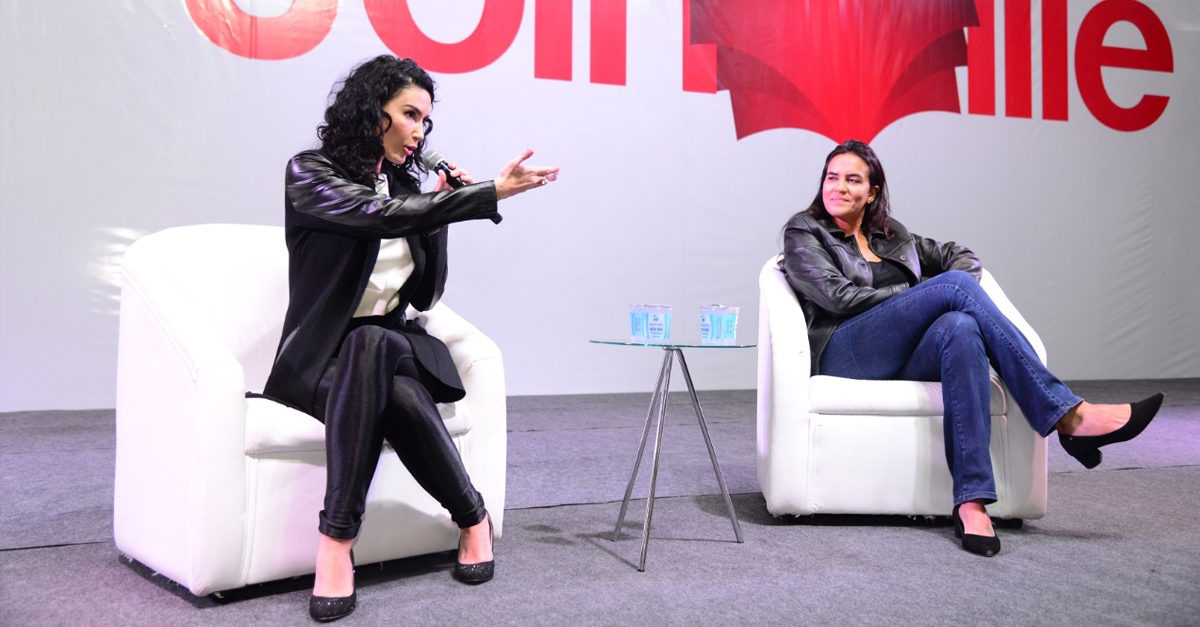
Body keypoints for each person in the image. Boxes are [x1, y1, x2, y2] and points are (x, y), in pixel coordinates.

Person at [259, 55, 559, 622]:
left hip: (398, 346)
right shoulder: (310, 173)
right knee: (379, 375)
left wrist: (439, 217)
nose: (419, 132)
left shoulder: (407, 190)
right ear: (373, 113)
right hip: (322, 364)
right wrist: (481, 196)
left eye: (426, 121)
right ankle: (472, 516)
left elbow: (423, 296)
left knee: (374, 344)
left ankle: (336, 544)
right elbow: (377, 216)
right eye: (409, 115)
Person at [780, 140, 1163, 558]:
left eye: (853, 179)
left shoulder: (894, 236)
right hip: (846, 349)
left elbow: (958, 254)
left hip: (900, 356)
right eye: (831, 177)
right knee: (953, 289)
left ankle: (972, 501)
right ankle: (1069, 416)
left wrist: (929, 296)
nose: (838, 187)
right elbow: (838, 299)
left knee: (960, 327)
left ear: (871, 192)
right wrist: (918, 294)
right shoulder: (805, 230)